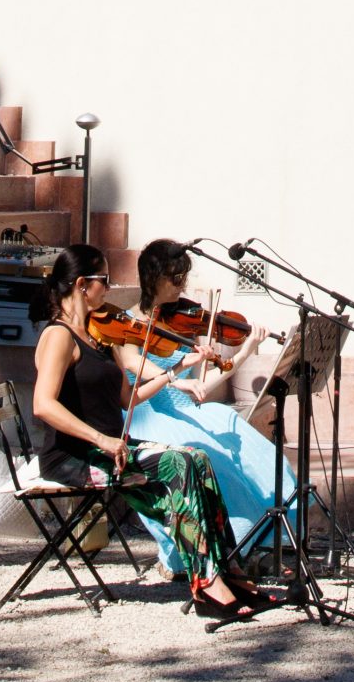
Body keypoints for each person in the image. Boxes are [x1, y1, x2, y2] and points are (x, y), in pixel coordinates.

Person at [30, 243, 262, 623]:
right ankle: (208, 584)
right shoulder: (58, 336)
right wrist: (102, 439)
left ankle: (227, 571)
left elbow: (129, 397)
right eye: (104, 280)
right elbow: (43, 404)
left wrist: (172, 376)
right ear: (82, 285)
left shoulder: (99, 336)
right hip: (76, 456)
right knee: (177, 465)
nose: (109, 288)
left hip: (110, 449)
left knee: (196, 459)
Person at [121, 237, 294, 570]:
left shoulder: (179, 321)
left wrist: (244, 352)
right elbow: (142, 374)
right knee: (213, 459)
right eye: (174, 277)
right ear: (151, 277)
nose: (180, 285)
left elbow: (199, 389)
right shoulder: (127, 324)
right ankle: (207, 550)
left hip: (184, 409)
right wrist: (176, 373)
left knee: (245, 445)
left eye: (183, 277)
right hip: (144, 413)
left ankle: (260, 539)